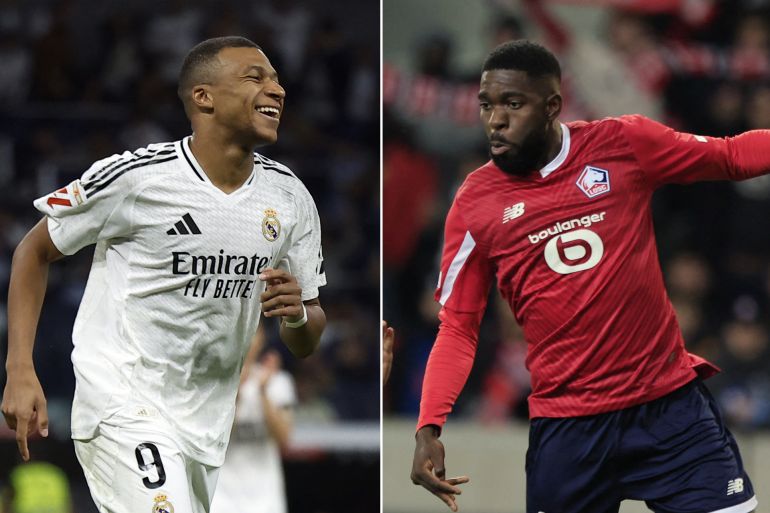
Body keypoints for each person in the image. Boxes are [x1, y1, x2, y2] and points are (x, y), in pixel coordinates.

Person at [410, 40, 766, 513]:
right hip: (569, 431)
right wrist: (429, 425)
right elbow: (458, 326)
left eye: (512, 103)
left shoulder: (623, 143)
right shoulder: (475, 203)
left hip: (668, 409)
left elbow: (729, 156)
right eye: (486, 104)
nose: (495, 119)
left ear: (552, 106)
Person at [1, 36, 326, 513]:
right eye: (256, 77)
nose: (276, 89)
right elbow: (33, 250)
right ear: (204, 97)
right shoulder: (138, 178)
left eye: (277, 79)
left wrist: (297, 314)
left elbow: (307, 336)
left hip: (206, 424)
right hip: (122, 403)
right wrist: (19, 370)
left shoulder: (290, 198)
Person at [210, 329, 296, 513]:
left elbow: (284, 438)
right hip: (221, 496)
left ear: (262, 338)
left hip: (266, 497)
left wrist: (263, 392)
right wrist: (237, 392)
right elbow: (216, 439)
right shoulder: (216, 382)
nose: (247, 335)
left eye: (255, 331)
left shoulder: (278, 381)